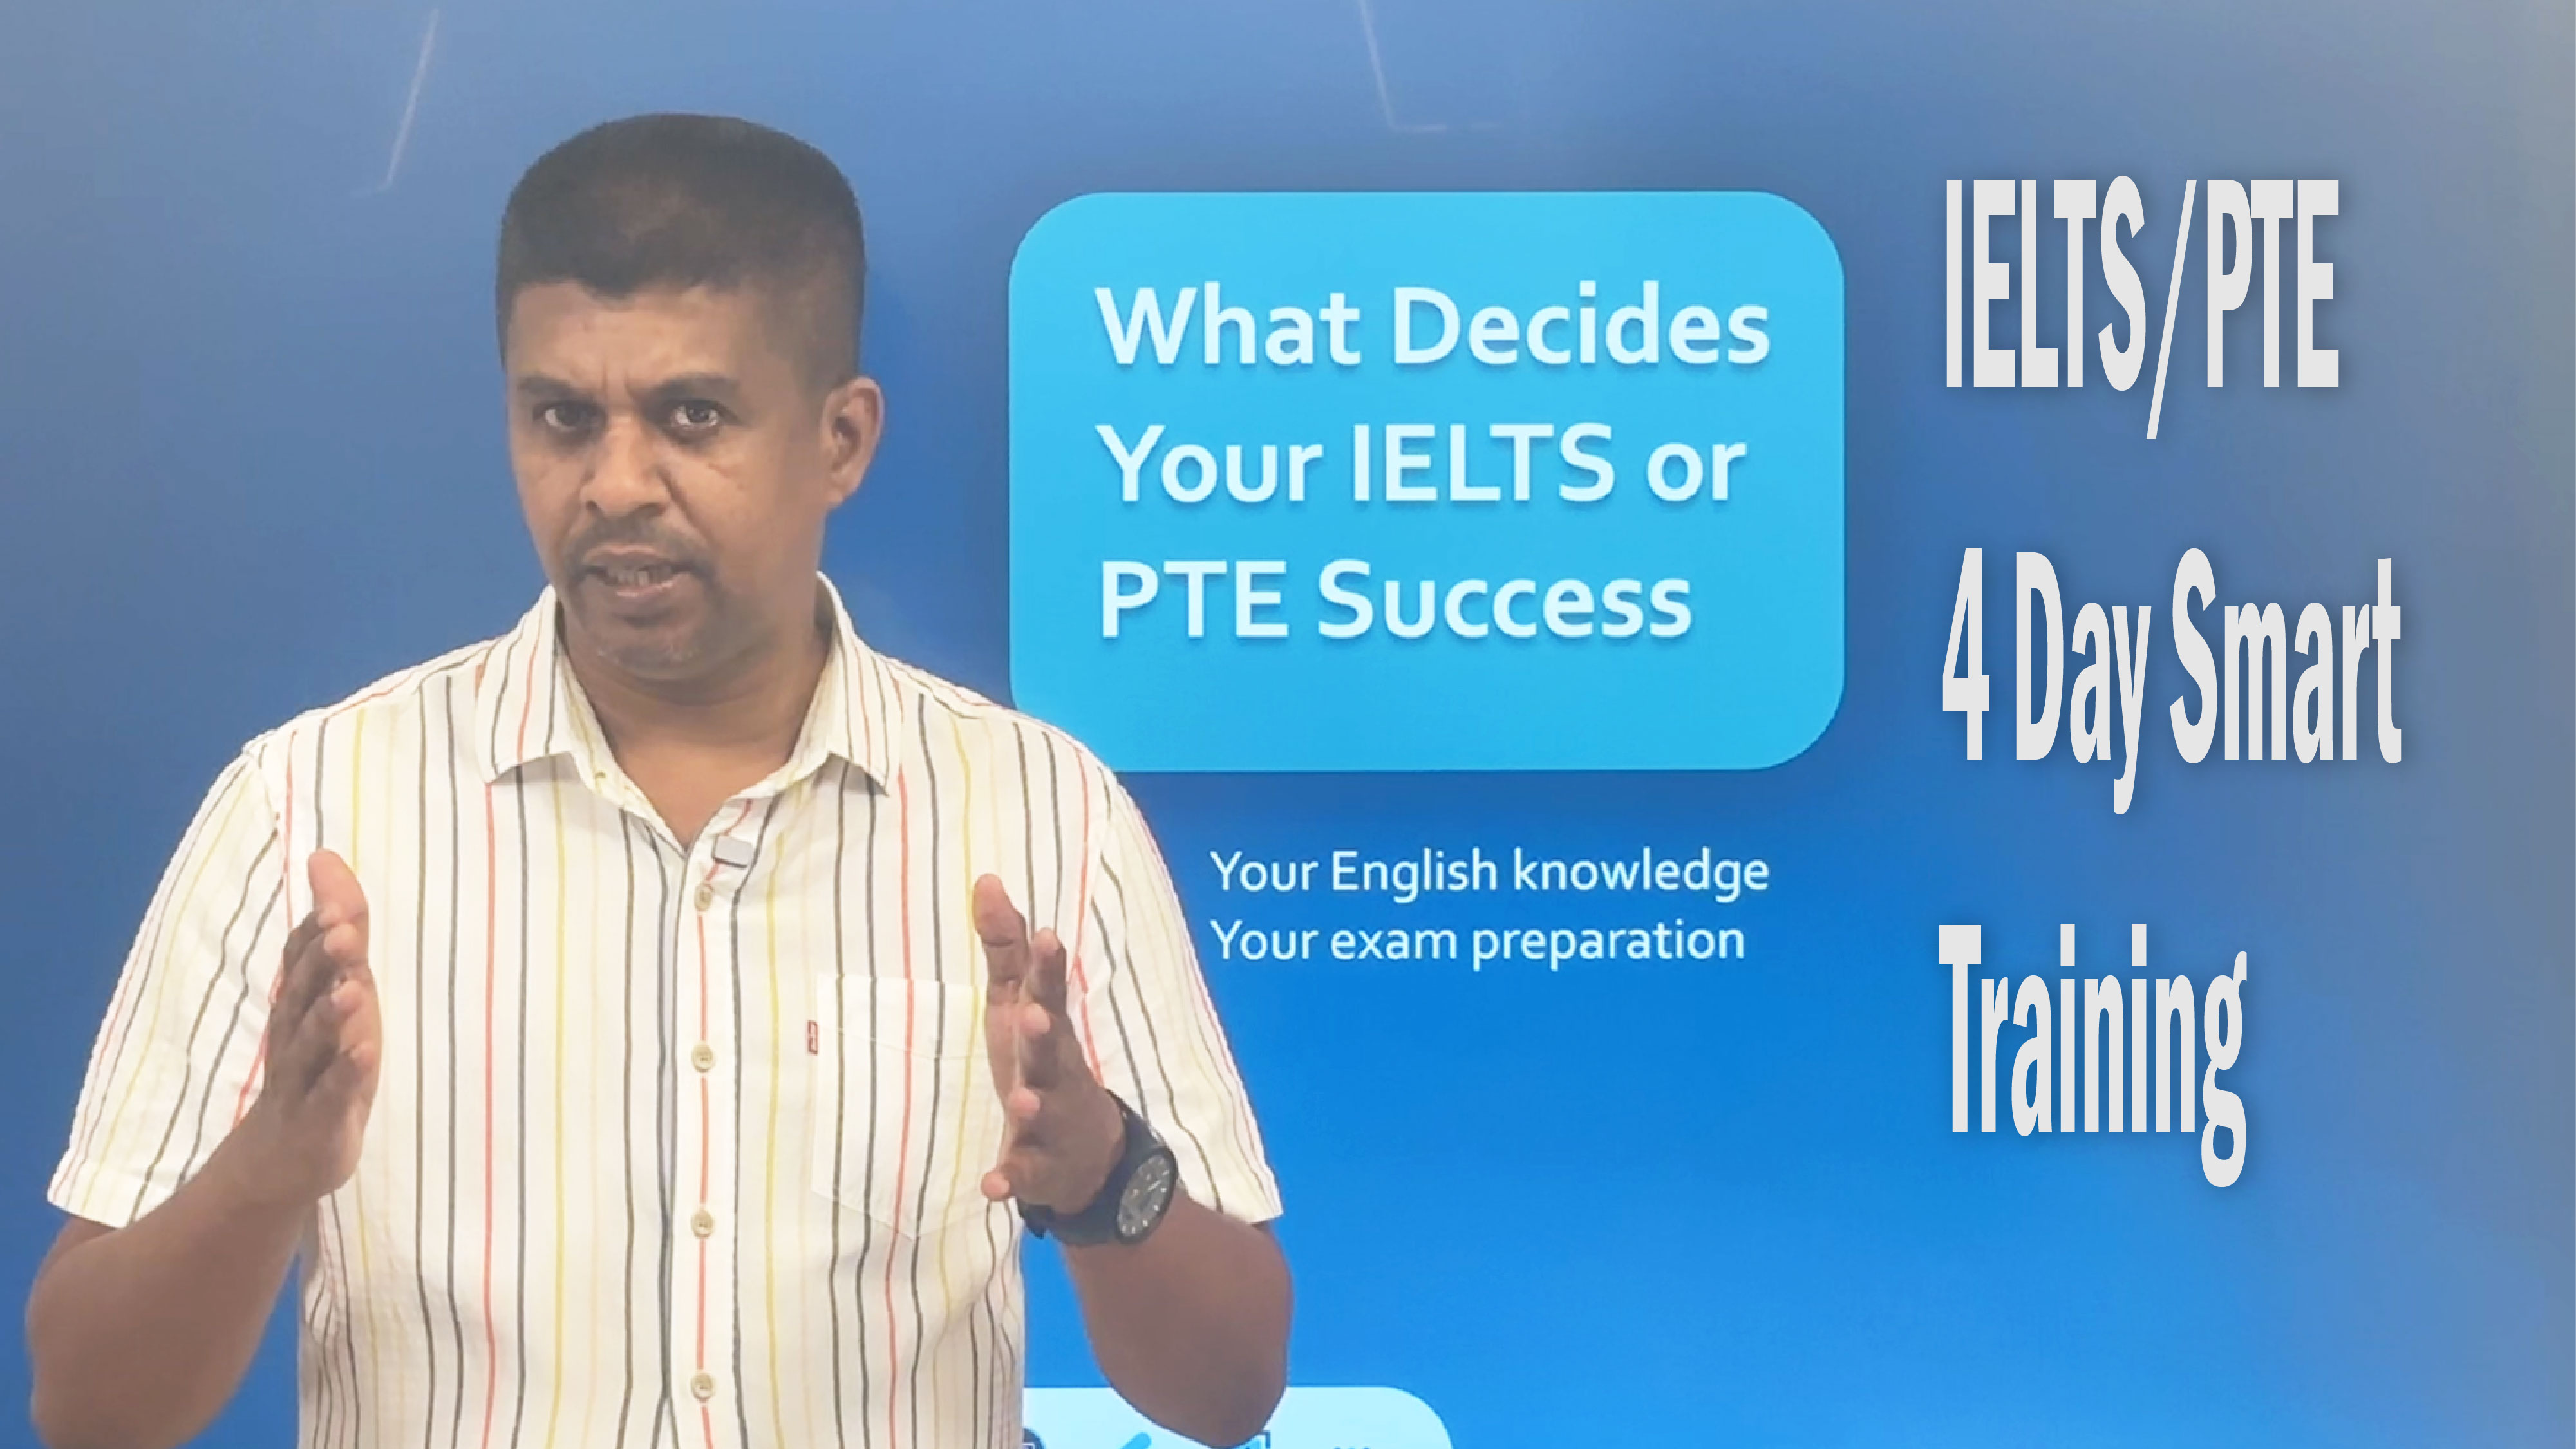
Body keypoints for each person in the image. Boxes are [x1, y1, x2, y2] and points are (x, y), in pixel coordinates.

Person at [26, 113, 1290, 1449]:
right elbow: (90, 1414)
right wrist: (265, 1174)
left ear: (842, 439)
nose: (616, 484)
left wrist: (1103, 1180)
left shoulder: (1042, 815)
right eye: (562, 418)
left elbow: (1231, 1396)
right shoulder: (307, 812)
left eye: (693, 416)